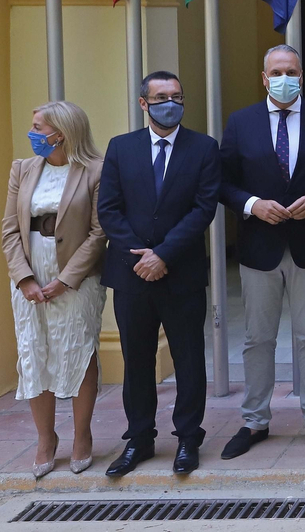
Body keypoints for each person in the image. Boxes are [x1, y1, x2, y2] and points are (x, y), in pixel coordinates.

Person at [218, 45, 305, 459]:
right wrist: (253, 204)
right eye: (276, 71)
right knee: (258, 338)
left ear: (302, 76)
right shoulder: (241, 123)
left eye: (291, 71)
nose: (284, 77)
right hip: (259, 245)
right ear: (264, 78)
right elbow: (223, 182)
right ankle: (255, 420)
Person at [97, 71, 220, 477]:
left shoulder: (203, 147)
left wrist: (163, 254)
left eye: (178, 96)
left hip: (180, 271)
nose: (171, 103)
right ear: (143, 103)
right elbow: (109, 209)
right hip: (132, 274)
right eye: (162, 96)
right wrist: (140, 256)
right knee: (137, 358)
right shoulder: (121, 147)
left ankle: (188, 437)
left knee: (188, 357)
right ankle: (140, 439)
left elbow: (203, 209)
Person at [2, 101, 107, 478]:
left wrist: (65, 280)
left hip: (75, 277)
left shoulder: (95, 170)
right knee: (35, 352)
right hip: (30, 273)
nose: (32, 135)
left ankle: (82, 436)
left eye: (37, 128)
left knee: (78, 351)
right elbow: (10, 230)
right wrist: (24, 278)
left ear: (59, 133)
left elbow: (99, 232)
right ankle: (46, 439)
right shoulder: (23, 169)